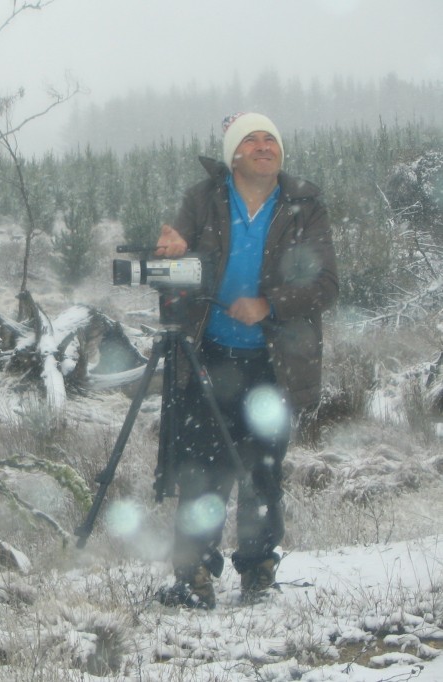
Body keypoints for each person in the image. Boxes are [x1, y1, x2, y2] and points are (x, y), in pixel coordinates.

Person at [154, 112, 338, 608]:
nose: (262, 147)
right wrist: (172, 253)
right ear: (234, 154)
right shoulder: (204, 199)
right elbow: (177, 266)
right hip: (209, 354)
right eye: (251, 140)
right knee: (203, 469)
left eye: (270, 140)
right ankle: (193, 571)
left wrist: (269, 304)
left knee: (263, 469)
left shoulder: (304, 206)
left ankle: (257, 566)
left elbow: (325, 285)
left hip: (275, 361)